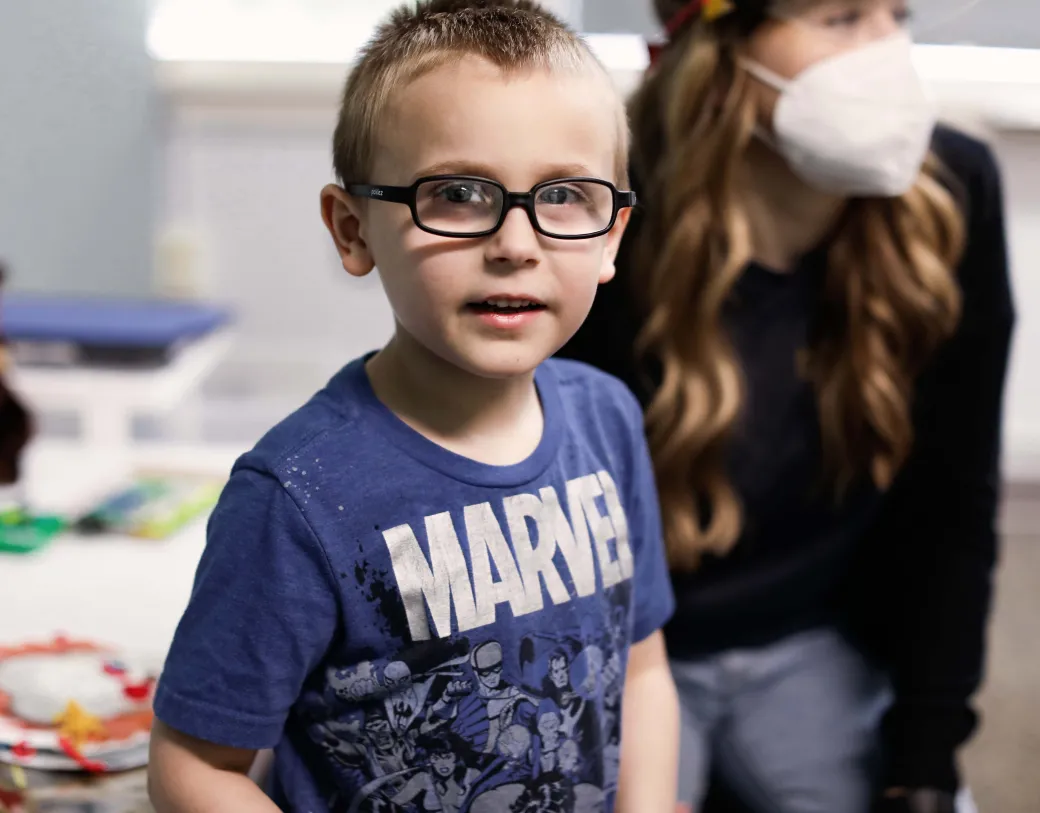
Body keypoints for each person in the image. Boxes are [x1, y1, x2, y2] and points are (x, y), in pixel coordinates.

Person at [146, 2, 680, 812]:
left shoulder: (607, 419)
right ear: (353, 229)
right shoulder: (296, 496)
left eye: (565, 194)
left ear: (612, 237)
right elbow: (193, 767)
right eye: (460, 194)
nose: (515, 242)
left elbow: (640, 663)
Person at [557, 1, 1016, 812]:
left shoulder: (954, 192)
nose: (885, 51)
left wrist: (925, 761)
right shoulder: (598, 218)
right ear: (720, 48)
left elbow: (952, 509)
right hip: (626, 650)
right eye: (840, 17)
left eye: (897, 14)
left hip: (818, 639)